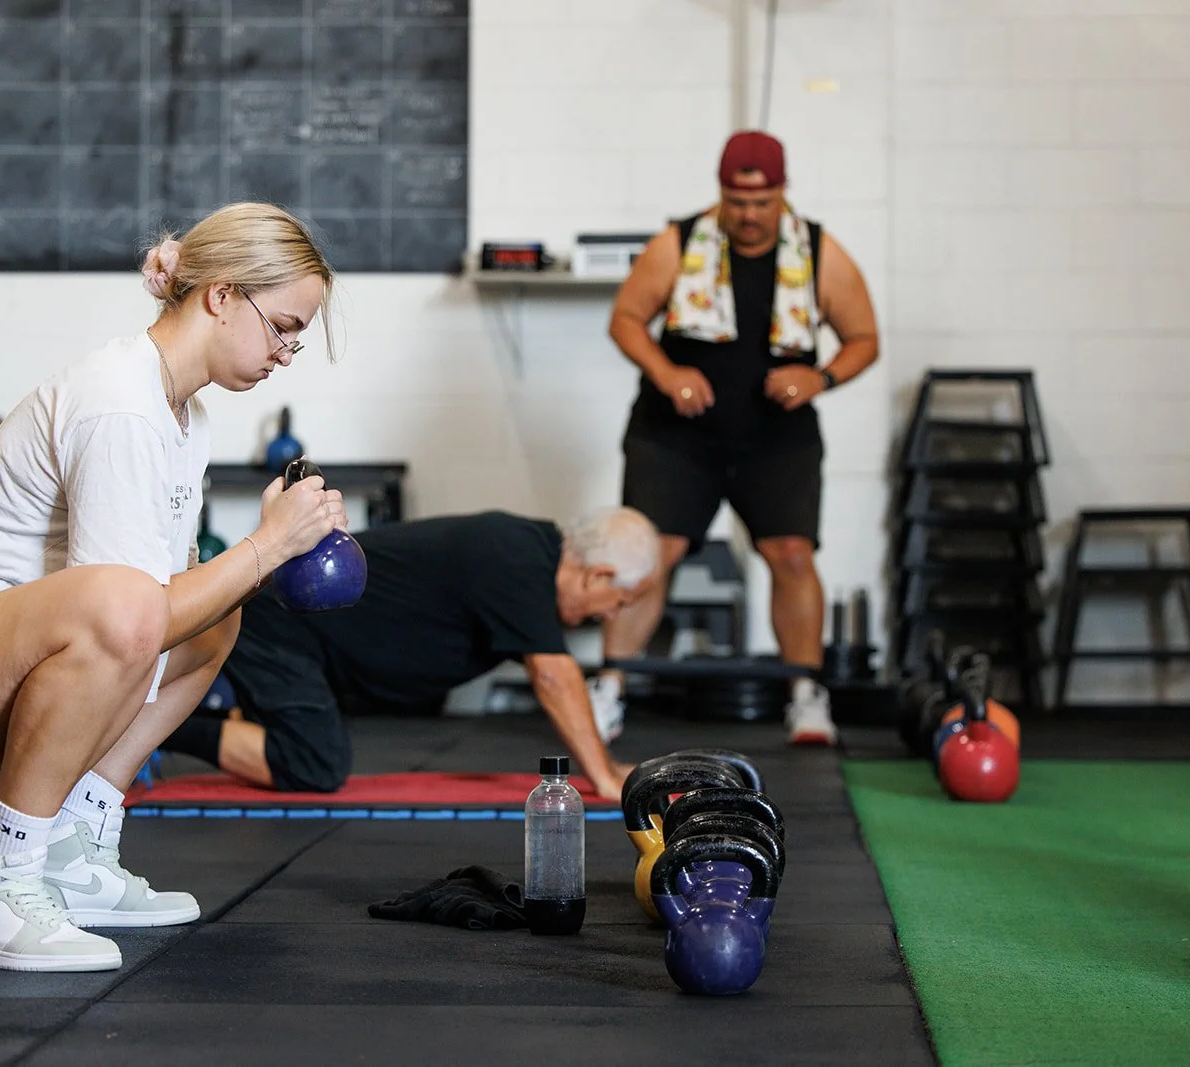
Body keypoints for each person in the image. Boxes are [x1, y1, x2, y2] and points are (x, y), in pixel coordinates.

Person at [0, 203, 348, 973]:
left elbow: (175, 611)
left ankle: (71, 842)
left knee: (214, 614)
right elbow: (133, 613)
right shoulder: (120, 402)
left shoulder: (184, 415)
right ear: (222, 295)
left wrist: (258, 558)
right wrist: (270, 547)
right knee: (137, 605)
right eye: (284, 326)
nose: (289, 352)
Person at [598, 130, 880, 746]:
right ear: (721, 194)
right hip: (676, 434)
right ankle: (610, 690)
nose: (750, 216)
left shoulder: (819, 250)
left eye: (763, 202)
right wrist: (669, 373)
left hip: (776, 437)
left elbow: (864, 338)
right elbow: (625, 319)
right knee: (649, 554)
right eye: (737, 201)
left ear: (783, 193)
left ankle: (805, 694)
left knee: (792, 555)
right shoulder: (677, 244)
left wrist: (820, 376)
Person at [160, 507, 661, 803]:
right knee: (314, 765)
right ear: (598, 577)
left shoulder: (527, 555)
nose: (611, 615)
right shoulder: (520, 560)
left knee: (315, 753)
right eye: (618, 602)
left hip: (316, 649)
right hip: (278, 627)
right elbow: (554, 677)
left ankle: (171, 717)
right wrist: (603, 776)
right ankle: (161, 726)